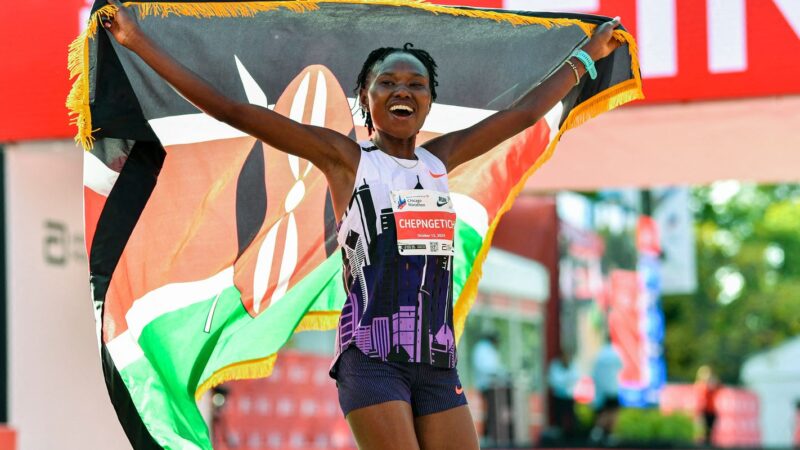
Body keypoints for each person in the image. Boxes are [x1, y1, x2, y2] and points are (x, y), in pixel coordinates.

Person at [102, 2, 621, 448]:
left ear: (427, 104)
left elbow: (523, 113)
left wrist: (584, 58)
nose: (403, 90)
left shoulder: (441, 160)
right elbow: (235, 111)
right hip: (372, 363)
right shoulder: (345, 160)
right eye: (387, 82)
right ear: (365, 102)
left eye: (415, 83)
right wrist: (139, 43)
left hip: (438, 366)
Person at [589, 337, 623, 444]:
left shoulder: (600, 355)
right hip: (613, 388)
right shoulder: (615, 353)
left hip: (601, 389)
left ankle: (597, 433)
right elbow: (620, 367)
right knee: (612, 413)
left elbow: (594, 372)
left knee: (603, 412)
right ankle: (608, 435)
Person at [548, 350, 580, 440]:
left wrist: (565, 381)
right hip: (559, 396)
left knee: (571, 416)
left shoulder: (572, 365)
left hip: (569, 396)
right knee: (559, 416)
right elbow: (555, 381)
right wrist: (567, 380)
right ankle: (559, 436)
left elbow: (575, 378)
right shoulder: (555, 366)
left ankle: (571, 435)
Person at [695, 365, 720, 446]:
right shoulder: (700, 385)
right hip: (703, 410)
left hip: (711, 410)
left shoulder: (712, 384)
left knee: (710, 431)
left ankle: (708, 444)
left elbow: (717, 388)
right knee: (702, 430)